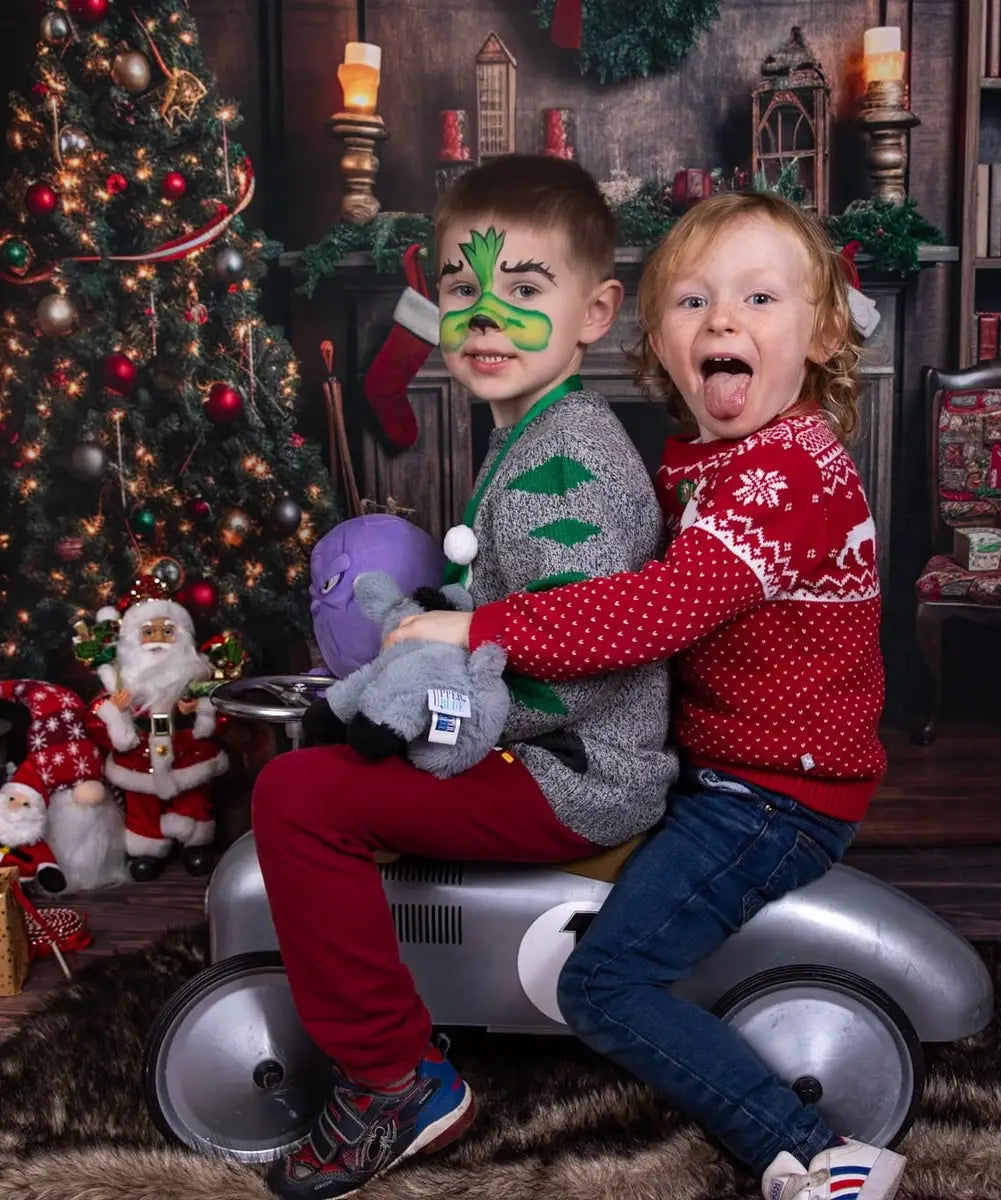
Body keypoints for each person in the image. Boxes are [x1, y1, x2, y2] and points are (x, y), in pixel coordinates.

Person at [390, 190, 903, 1200]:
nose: (723, 323)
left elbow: (656, 611)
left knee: (605, 983)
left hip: (773, 799)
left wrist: (481, 628)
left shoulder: (787, 470)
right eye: (694, 303)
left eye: (760, 297)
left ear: (825, 331)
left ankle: (808, 1149)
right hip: (728, 770)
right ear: (656, 338)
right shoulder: (714, 462)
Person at [251, 154, 677, 1200]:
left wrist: (427, 697)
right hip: (543, 748)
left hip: (573, 770)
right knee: (332, 740)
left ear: (596, 312)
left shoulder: (565, 469)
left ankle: (393, 1081)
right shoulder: (533, 436)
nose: (486, 317)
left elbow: (580, 660)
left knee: (295, 796)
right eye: (461, 289)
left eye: (525, 290)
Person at [86, 575, 229, 881]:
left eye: (167, 631)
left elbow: (219, 709)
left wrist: (200, 709)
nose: (158, 640)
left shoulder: (197, 670)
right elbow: (98, 723)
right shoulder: (122, 680)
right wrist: (119, 713)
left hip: (185, 748)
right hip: (140, 754)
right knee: (142, 803)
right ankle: (147, 847)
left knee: (194, 795)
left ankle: (196, 842)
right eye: (148, 632)